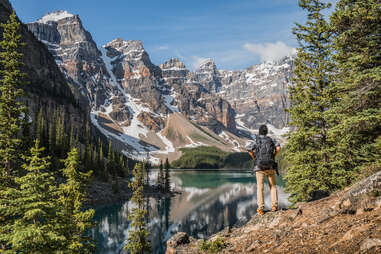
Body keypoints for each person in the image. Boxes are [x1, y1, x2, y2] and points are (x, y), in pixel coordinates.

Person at [247, 124, 281, 215]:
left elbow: (249, 149)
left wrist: (254, 157)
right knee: (273, 186)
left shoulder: (256, 140)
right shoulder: (271, 140)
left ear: (259, 132)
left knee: (260, 188)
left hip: (259, 167)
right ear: (266, 132)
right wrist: (274, 156)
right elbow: (278, 148)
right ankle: (274, 206)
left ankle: (261, 208)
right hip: (270, 166)